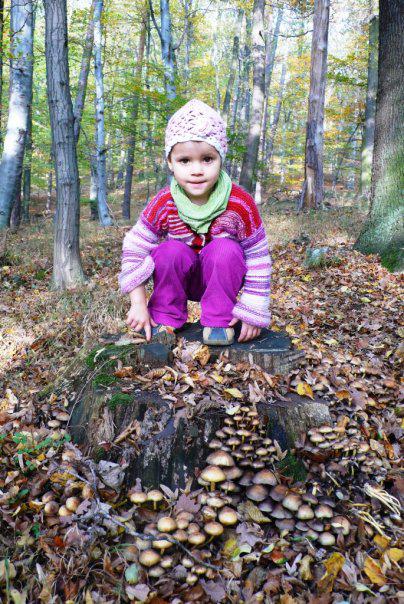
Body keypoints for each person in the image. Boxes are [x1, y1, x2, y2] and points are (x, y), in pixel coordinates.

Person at [119, 99, 272, 346]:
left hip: (222, 277)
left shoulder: (239, 203)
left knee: (225, 248)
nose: (197, 170)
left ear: (221, 158)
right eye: (185, 161)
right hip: (181, 277)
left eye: (207, 159)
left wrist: (254, 308)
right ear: (170, 162)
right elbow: (134, 247)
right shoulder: (165, 202)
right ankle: (165, 316)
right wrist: (138, 302)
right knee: (169, 251)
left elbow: (258, 256)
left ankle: (219, 321)